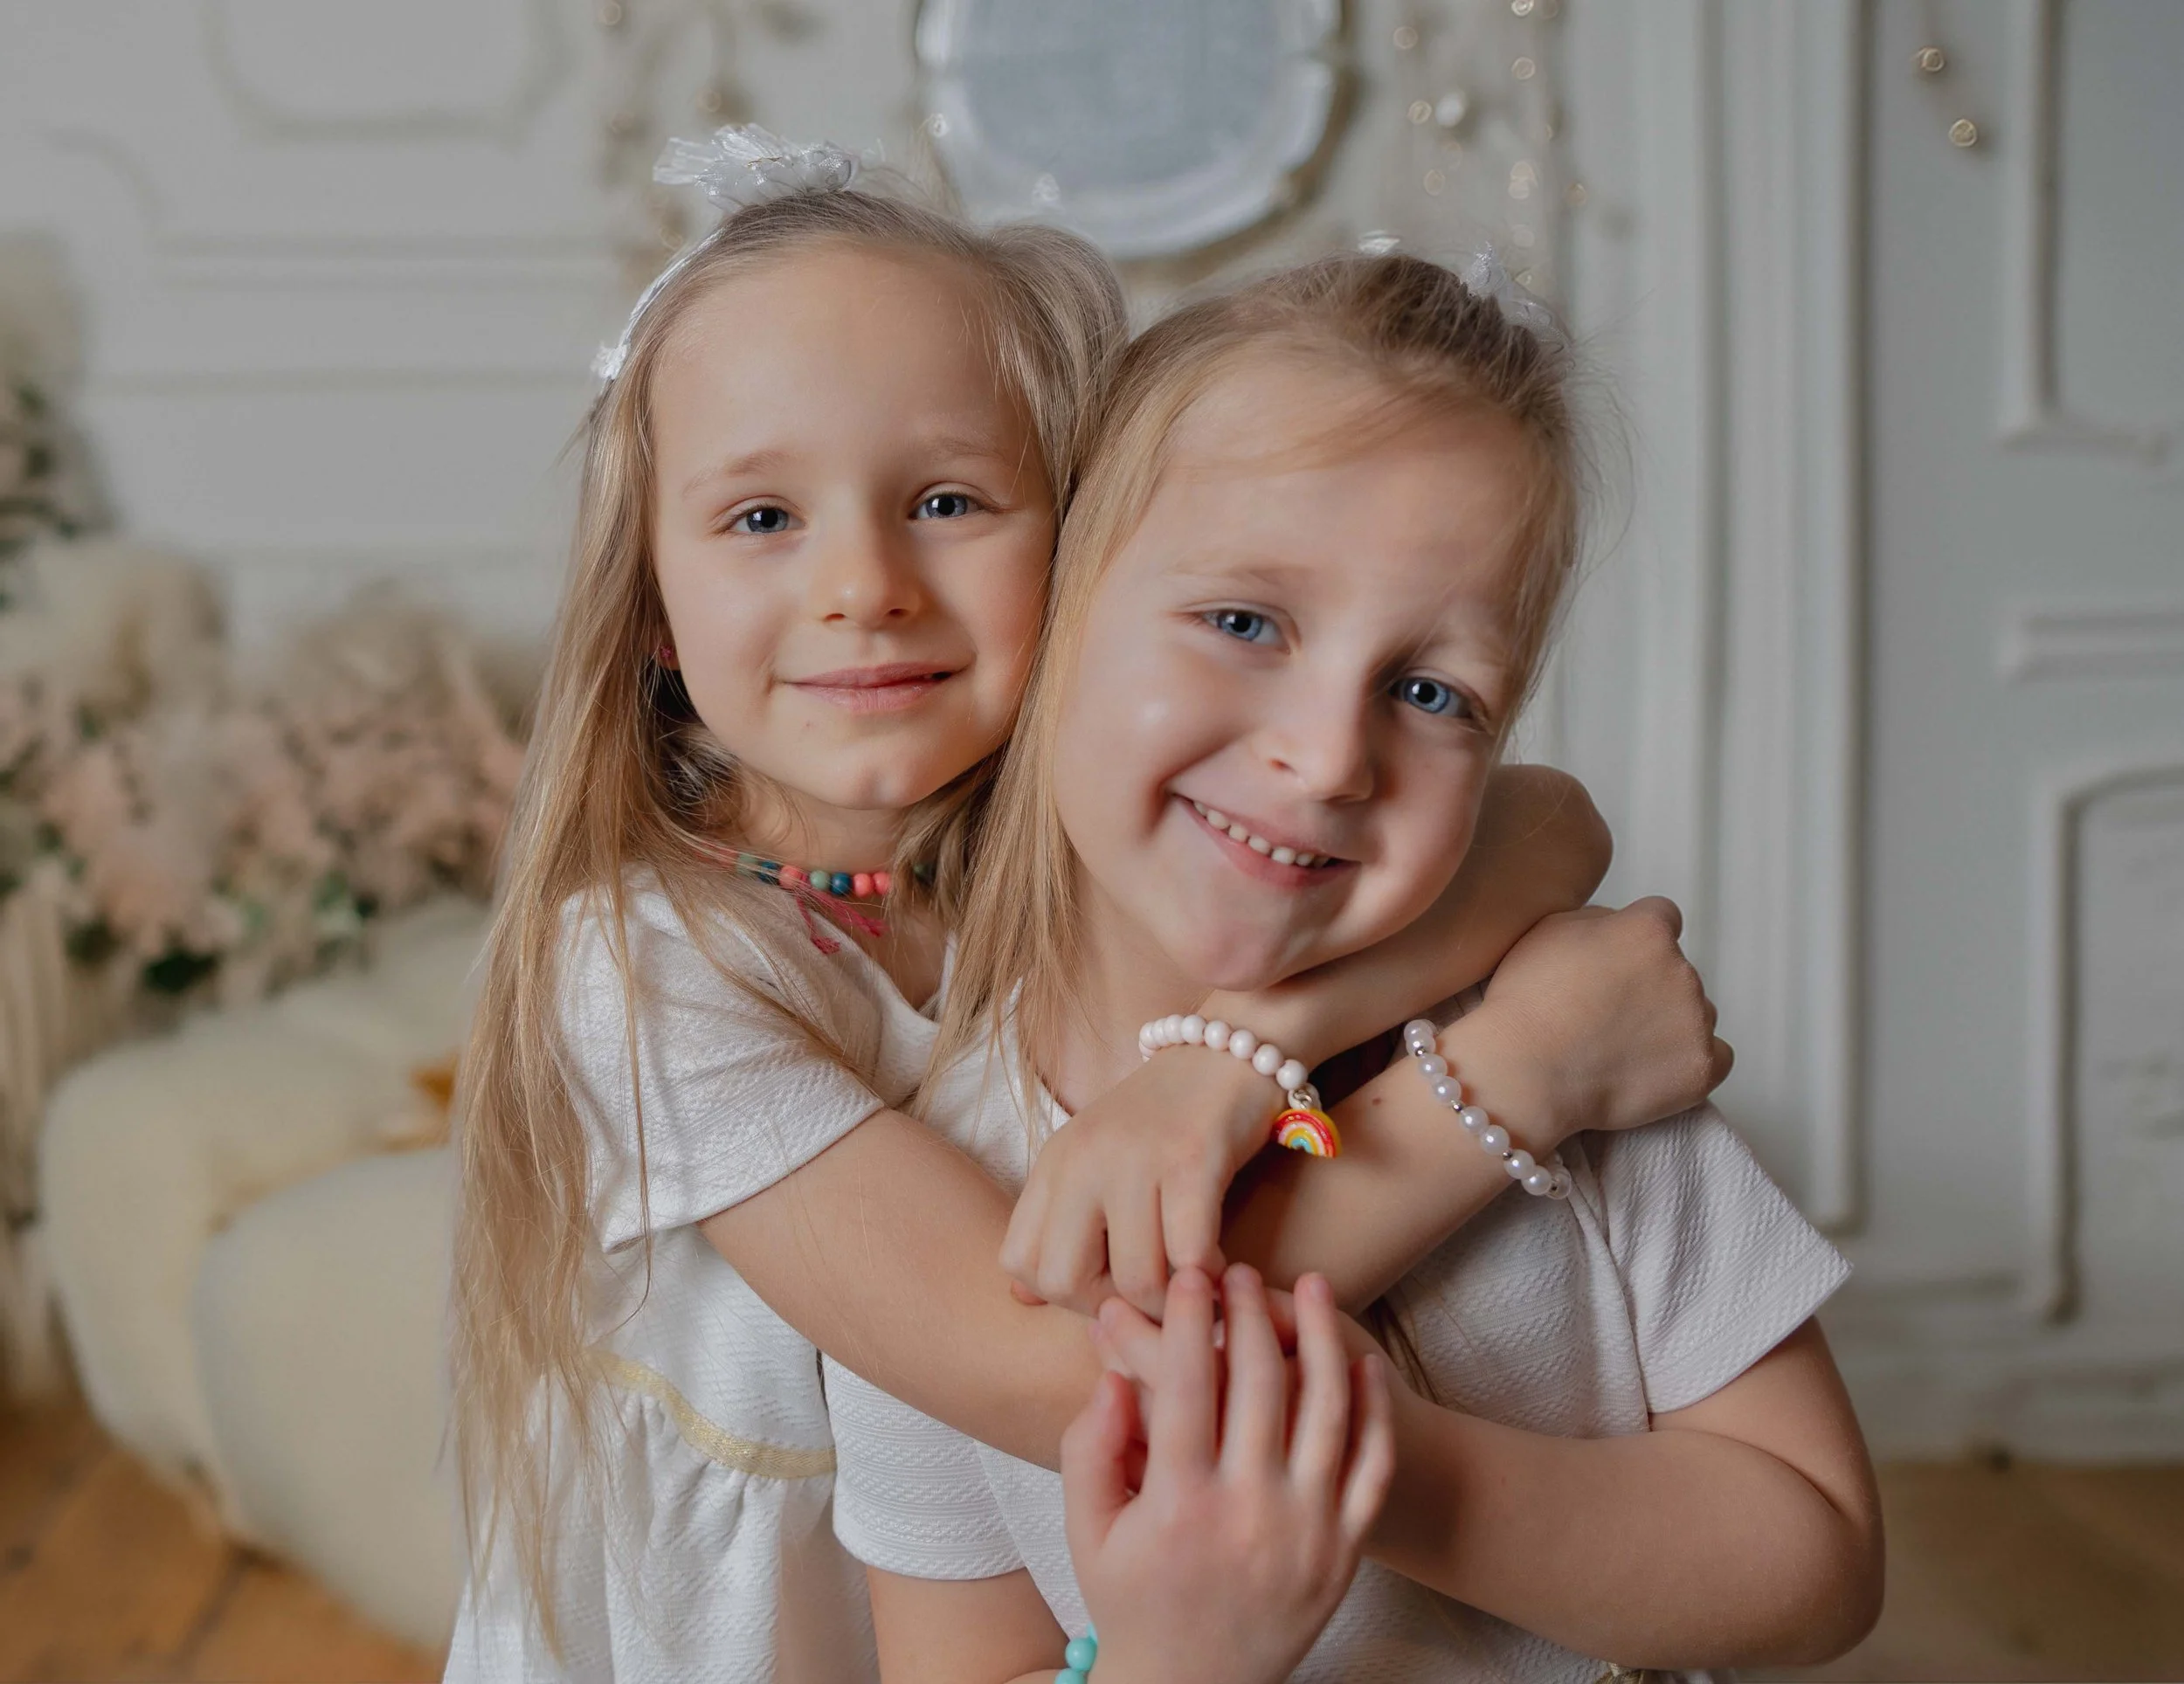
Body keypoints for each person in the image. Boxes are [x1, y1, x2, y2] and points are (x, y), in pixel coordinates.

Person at [446, 129, 1731, 1684]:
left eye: (947, 500)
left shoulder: (1054, 840)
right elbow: (1065, 1381)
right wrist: (1509, 1086)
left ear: (1088, 555)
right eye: (762, 519)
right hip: (766, 1625)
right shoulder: (644, 964)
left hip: (1028, 1586)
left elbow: (1547, 823)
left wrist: (1225, 1068)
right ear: (653, 606)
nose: (864, 584)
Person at [826, 250, 1884, 1681]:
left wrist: (1382, 1469)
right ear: (1052, 610)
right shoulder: (952, 1206)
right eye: (1245, 621)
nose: (1328, 757)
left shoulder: (1561, 1039)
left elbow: (1817, 1563)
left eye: (1432, 691)